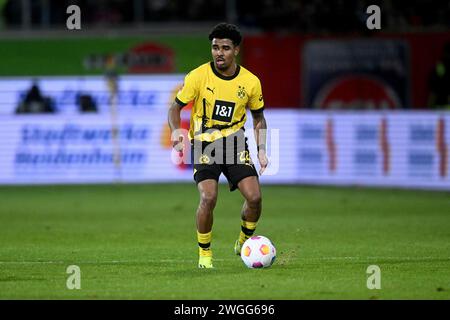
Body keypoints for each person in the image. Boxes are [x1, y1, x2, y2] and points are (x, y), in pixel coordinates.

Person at [167, 22, 268, 268]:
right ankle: (205, 255)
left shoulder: (251, 82)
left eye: (225, 48)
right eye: (215, 48)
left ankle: (245, 239)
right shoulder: (198, 76)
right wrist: (177, 131)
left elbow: (258, 118)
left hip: (234, 142)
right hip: (205, 142)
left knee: (254, 198)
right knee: (208, 197)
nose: (219, 53)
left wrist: (261, 150)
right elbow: (175, 107)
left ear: (236, 50)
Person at [428, 41, 450, 109]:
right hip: (441, 107)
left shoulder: (438, 67)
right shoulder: (439, 68)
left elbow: (433, 91)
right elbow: (434, 90)